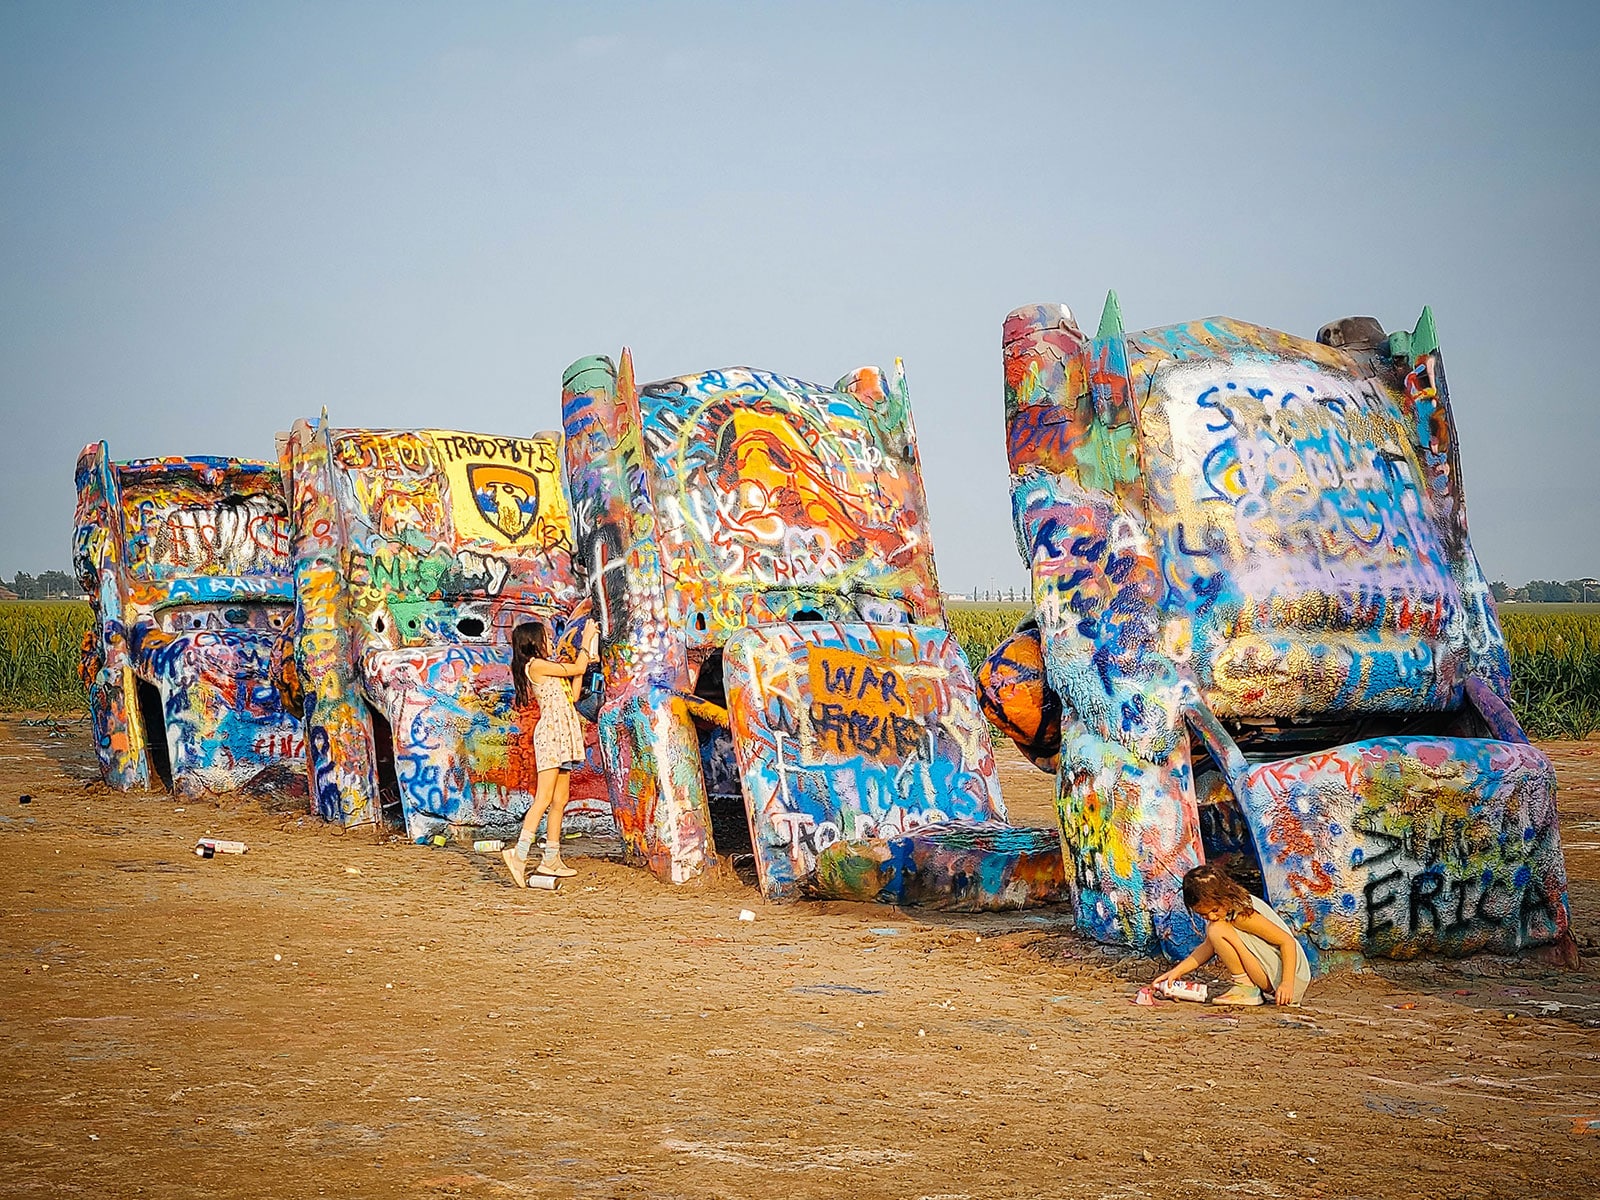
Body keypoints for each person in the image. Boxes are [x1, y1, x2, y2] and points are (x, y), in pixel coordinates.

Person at [501, 618, 599, 887]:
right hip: (552, 735)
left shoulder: (551, 667)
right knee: (544, 797)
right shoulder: (537, 665)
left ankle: (551, 859)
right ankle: (518, 855)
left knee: (560, 799)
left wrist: (583, 661)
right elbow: (579, 665)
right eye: (546, 636)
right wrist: (586, 640)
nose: (550, 640)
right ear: (534, 641)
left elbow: (574, 695)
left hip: (564, 734)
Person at [1152, 861, 1311, 1006]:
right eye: (1204, 915)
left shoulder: (1241, 914)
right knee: (1215, 930)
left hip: (1290, 981)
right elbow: (1208, 947)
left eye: (1214, 910)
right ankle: (1247, 987)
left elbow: (1287, 941)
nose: (1212, 917)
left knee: (1216, 929)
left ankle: (1246, 989)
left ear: (1224, 894)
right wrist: (1176, 972)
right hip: (1279, 977)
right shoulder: (1226, 910)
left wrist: (1287, 983)